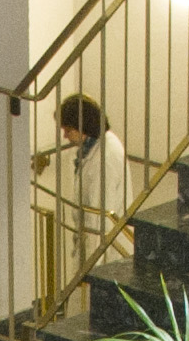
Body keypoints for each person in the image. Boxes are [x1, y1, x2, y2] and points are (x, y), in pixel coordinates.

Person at [43, 94, 135, 263]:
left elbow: (98, 220)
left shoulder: (105, 159)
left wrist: (90, 267)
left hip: (108, 253)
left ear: (82, 127)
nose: (65, 136)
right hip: (101, 245)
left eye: (68, 130)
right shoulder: (96, 147)